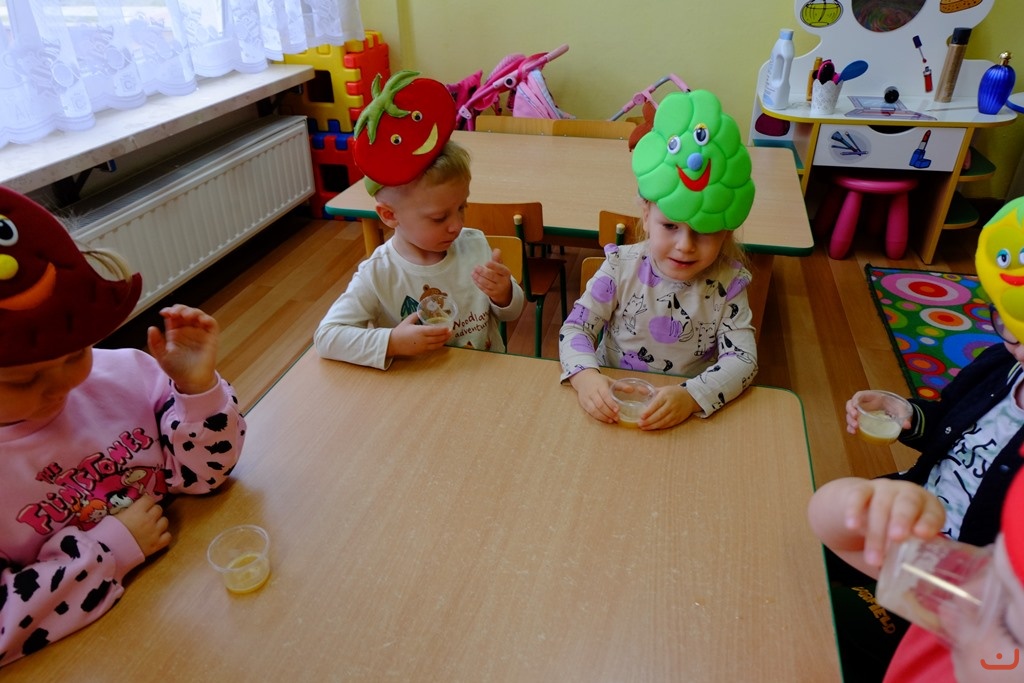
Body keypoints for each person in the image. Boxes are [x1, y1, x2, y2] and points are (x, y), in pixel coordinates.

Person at [0, 187, 245, 666]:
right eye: (23, 379)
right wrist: (109, 549)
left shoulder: (125, 374)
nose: (62, 385)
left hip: (191, 600)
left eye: (75, 354)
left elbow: (204, 477)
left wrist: (196, 392)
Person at [558, 89, 757, 429]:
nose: (685, 246)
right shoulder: (620, 266)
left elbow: (743, 359)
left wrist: (692, 396)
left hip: (681, 416)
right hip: (614, 406)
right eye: (670, 226)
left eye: (704, 231)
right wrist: (586, 377)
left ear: (726, 233)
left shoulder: (729, 285)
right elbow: (576, 327)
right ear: (646, 215)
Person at [314, 70, 524, 369]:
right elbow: (327, 337)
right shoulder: (379, 273)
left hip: (481, 378)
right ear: (389, 215)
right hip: (419, 385)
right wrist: (392, 342)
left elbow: (510, 313)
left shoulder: (474, 244)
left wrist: (504, 294)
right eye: (439, 218)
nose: (457, 225)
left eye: (462, 207)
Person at [808, 472, 1024, 682]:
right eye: (990, 558)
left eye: (1006, 624)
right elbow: (852, 544)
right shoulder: (971, 590)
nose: (962, 593)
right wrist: (856, 505)